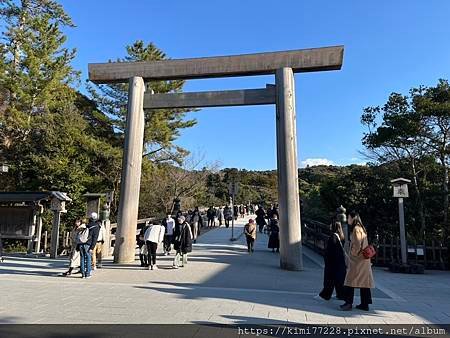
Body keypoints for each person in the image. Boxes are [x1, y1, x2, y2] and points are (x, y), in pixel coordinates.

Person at [340, 212, 375, 311]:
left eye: (349, 218)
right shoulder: (362, 228)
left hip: (357, 260)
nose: (348, 220)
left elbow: (357, 246)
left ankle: (348, 303)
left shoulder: (356, 229)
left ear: (353, 218)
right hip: (364, 260)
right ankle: (365, 304)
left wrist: (351, 254)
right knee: (364, 283)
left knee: (350, 281)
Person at [319, 221, 346, 300]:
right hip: (340, 262)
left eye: (331, 225)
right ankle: (341, 295)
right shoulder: (341, 236)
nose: (330, 226)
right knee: (339, 281)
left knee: (329, 280)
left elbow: (330, 251)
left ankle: (325, 295)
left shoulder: (333, 237)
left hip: (332, 263)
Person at [78, 212, 100, 279]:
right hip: (88, 244)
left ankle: (83, 274)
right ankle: (87, 274)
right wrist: (92, 247)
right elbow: (95, 238)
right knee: (88, 258)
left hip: (81, 243)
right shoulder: (96, 226)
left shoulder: (86, 225)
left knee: (82, 258)